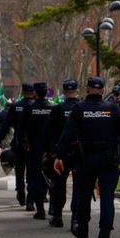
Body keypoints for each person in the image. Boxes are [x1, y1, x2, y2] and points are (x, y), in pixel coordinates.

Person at [53, 76, 120, 238]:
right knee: (107, 198)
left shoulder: (79, 108)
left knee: (84, 196)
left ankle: (83, 230)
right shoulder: (111, 108)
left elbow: (67, 134)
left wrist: (58, 155)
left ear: (87, 89)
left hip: (85, 159)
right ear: (103, 91)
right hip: (108, 159)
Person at [43, 79, 81, 228]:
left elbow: (47, 132)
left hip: (61, 154)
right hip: (79, 153)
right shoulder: (82, 108)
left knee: (59, 185)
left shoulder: (57, 109)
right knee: (79, 186)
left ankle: (58, 216)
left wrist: (48, 150)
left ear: (64, 93)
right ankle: (75, 219)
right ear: (77, 91)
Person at [0, 83, 36, 207]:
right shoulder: (36, 106)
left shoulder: (16, 106)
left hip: (19, 144)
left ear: (22, 93)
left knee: (19, 170)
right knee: (32, 172)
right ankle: (30, 200)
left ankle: (21, 194)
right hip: (34, 145)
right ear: (33, 93)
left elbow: (5, 125)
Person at [21, 81, 55, 220]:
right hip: (51, 149)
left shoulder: (29, 108)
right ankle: (53, 208)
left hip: (34, 148)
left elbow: (21, 128)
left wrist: (23, 142)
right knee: (53, 178)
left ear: (35, 93)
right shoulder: (54, 108)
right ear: (46, 92)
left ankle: (40, 209)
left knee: (35, 178)